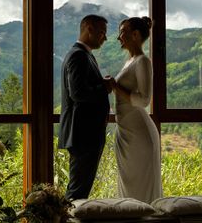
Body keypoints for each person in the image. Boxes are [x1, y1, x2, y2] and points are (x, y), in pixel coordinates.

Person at [58, 14, 112, 200]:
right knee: (77, 192)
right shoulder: (78, 56)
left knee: (80, 189)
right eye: (102, 32)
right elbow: (78, 93)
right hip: (84, 134)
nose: (105, 37)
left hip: (86, 133)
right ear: (89, 29)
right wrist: (104, 87)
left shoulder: (84, 55)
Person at [109, 16, 163, 203]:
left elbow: (144, 100)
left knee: (140, 187)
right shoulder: (129, 61)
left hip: (139, 134)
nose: (119, 37)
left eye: (122, 32)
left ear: (136, 35)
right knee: (128, 186)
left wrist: (116, 87)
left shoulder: (142, 61)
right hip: (125, 132)